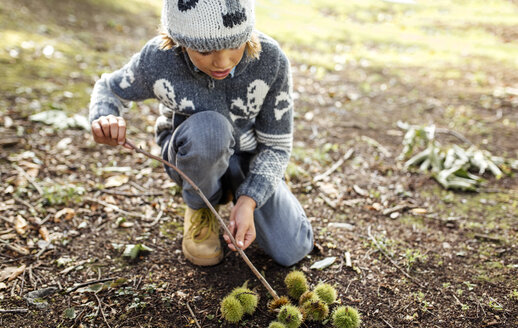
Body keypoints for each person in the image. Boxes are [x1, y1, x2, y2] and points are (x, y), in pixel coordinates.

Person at [89, 0, 313, 267]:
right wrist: (104, 117)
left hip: (246, 155)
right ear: (179, 39)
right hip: (193, 150)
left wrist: (250, 199)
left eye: (234, 45)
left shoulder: (270, 60)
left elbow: (275, 145)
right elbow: (110, 89)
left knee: (292, 249)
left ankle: (242, 188)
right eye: (205, 51)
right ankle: (201, 205)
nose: (222, 62)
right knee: (210, 130)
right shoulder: (160, 59)